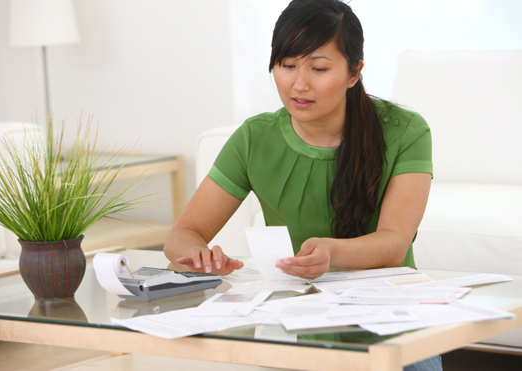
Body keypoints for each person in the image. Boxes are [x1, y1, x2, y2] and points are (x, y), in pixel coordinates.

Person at [165, 1, 440, 369]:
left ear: (354, 72)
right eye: (288, 65)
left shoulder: (405, 130)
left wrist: (331, 253)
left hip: (391, 319)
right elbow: (184, 233)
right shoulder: (253, 138)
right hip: (298, 321)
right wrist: (198, 255)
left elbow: (394, 243)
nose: (299, 84)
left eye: (319, 68)